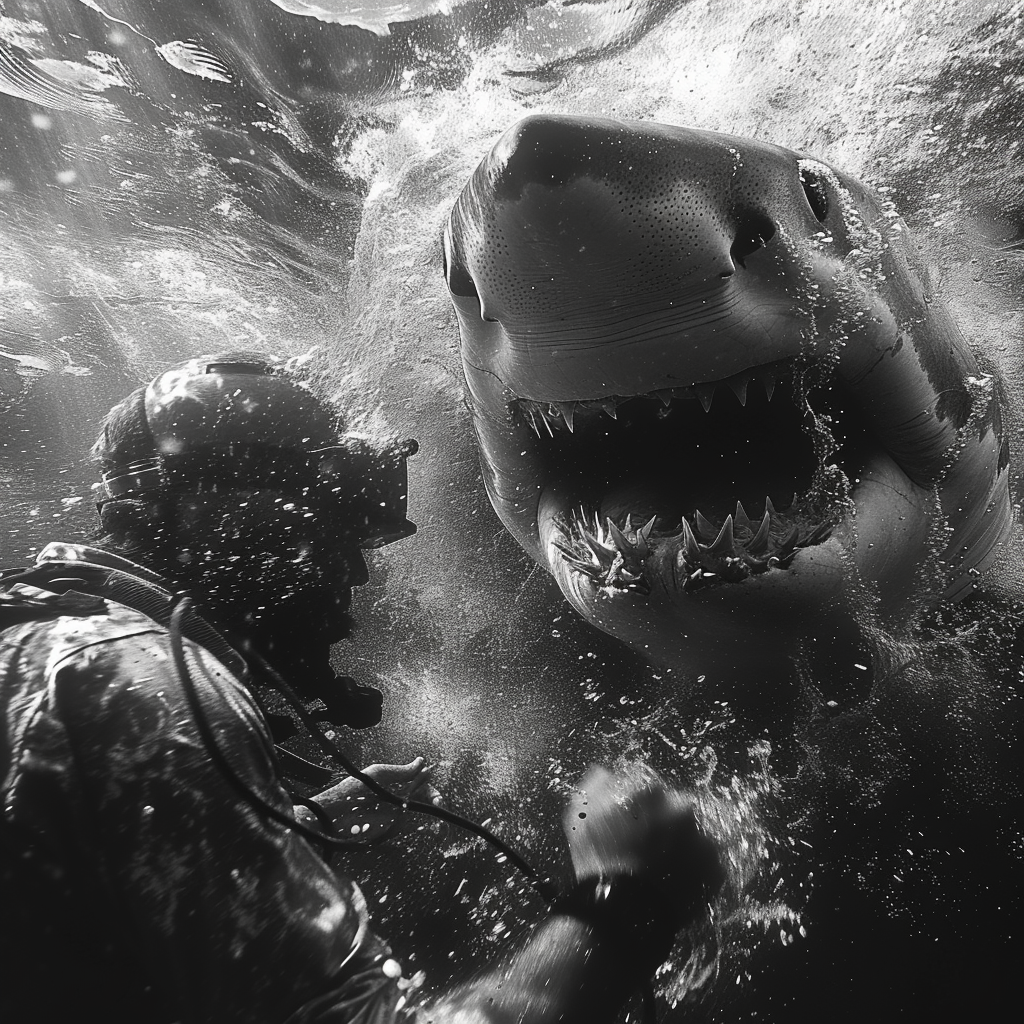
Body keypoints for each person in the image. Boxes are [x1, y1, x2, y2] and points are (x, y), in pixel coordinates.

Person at [0, 352, 723, 1022]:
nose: (354, 574)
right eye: (336, 526)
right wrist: (623, 895)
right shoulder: (151, 693)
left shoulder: (48, 643)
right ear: (247, 519)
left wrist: (296, 820)